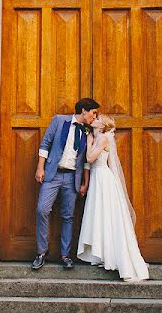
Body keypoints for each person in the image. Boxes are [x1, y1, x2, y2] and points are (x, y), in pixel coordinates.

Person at [77, 113, 149, 282]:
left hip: (103, 179)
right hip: (96, 179)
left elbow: (90, 158)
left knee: (107, 216)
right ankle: (101, 254)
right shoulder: (97, 137)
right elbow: (89, 163)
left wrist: (88, 143)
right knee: (99, 216)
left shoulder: (102, 139)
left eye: (97, 119)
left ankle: (113, 256)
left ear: (102, 126)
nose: (94, 119)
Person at [32, 97, 99, 271]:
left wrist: (85, 182)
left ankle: (65, 255)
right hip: (53, 175)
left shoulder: (88, 131)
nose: (94, 117)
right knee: (42, 209)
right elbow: (45, 143)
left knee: (68, 216)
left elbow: (85, 160)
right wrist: (40, 167)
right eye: (93, 113)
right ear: (84, 110)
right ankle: (41, 252)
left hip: (72, 178)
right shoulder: (59, 120)